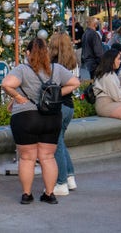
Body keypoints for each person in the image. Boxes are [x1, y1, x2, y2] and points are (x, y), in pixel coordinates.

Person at [1, 38, 79, 204]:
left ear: (28, 53)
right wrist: (56, 94)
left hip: (26, 117)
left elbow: (7, 84)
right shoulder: (56, 69)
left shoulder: (22, 69)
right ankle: (49, 194)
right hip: (51, 117)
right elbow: (75, 82)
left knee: (27, 159)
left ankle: (27, 195)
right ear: (46, 53)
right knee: (48, 157)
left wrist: (18, 97)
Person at [47, 32, 78, 196]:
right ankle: (70, 176)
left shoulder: (53, 65)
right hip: (69, 106)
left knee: (56, 144)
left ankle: (61, 182)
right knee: (61, 141)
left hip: (58, 106)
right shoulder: (73, 63)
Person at [92, 48, 121, 124]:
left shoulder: (110, 73)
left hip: (111, 103)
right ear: (111, 60)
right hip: (106, 105)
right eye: (118, 59)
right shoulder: (107, 75)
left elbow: (115, 87)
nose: (120, 61)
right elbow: (118, 97)